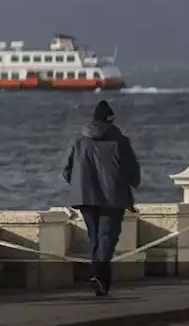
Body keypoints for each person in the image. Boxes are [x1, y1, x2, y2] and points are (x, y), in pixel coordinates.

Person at [61, 100, 142, 296]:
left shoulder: (78, 141)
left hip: (85, 196)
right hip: (113, 197)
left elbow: (66, 170)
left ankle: (102, 282)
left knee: (95, 237)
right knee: (107, 237)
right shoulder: (120, 141)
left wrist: (79, 183)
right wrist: (133, 182)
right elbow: (133, 171)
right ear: (111, 119)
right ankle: (99, 275)